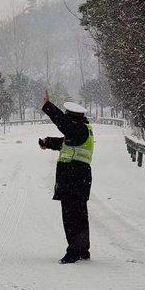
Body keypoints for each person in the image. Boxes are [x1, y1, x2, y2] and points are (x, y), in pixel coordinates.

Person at [38, 89, 94, 264]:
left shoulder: (78, 130)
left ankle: (74, 252)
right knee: (80, 216)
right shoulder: (81, 131)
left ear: (73, 118)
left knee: (71, 217)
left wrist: (48, 107)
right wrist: (49, 143)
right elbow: (66, 143)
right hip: (78, 178)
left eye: (68, 118)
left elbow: (64, 125)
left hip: (74, 178)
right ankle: (83, 249)